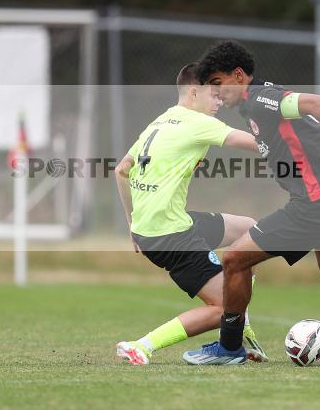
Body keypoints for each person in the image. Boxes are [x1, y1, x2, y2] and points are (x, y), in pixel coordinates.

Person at [183, 40, 320, 365]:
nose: (217, 92)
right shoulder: (254, 105)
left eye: (218, 83)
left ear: (239, 75)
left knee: (234, 259)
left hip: (316, 205)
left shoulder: (261, 98)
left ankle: (229, 348)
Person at [114, 63, 267, 364]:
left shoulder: (161, 120)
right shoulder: (198, 122)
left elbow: (122, 169)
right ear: (194, 92)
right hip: (169, 234)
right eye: (214, 94)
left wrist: (132, 223)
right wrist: (295, 138)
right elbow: (257, 145)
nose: (220, 101)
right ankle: (142, 345)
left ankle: (242, 326)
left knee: (250, 229)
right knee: (225, 307)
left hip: (155, 226)